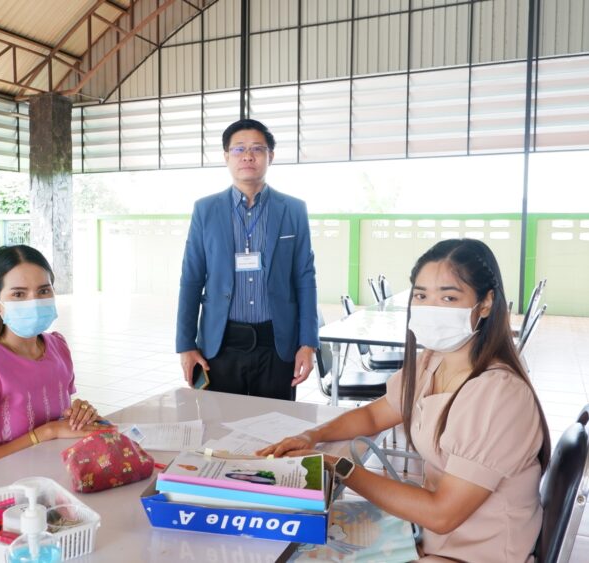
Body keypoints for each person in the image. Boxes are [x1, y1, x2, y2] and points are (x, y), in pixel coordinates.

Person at [259, 239, 551, 562]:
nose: (431, 309)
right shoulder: (432, 361)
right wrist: (312, 435)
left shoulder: (498, 395)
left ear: (485, 304)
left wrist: (337, 466)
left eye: (449, 297)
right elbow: (374, 416)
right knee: (292, 540)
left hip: (476, 552)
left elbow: (442, 514)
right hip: (433, 536)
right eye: (421, 296)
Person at [176, 118, 318, 400]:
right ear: (226, 156)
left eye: (257, 149)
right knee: (219, 422)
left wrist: (308, 343)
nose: (248, 156)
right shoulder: (205, 210)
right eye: (239, 149)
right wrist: (185, 344)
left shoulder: (293, 209)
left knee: (276, 421)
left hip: (277, 343)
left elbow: (305, 278)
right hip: (220, 344)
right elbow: (191, 279)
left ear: (270, 156)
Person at [0, 245, 104, 475]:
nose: (34, 302)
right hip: (3, 488)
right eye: (19, 294)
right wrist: (47, 432)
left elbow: (58, 417)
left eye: (43, 291)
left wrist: (78, 415)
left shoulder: (58, 347)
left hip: (56, 476)